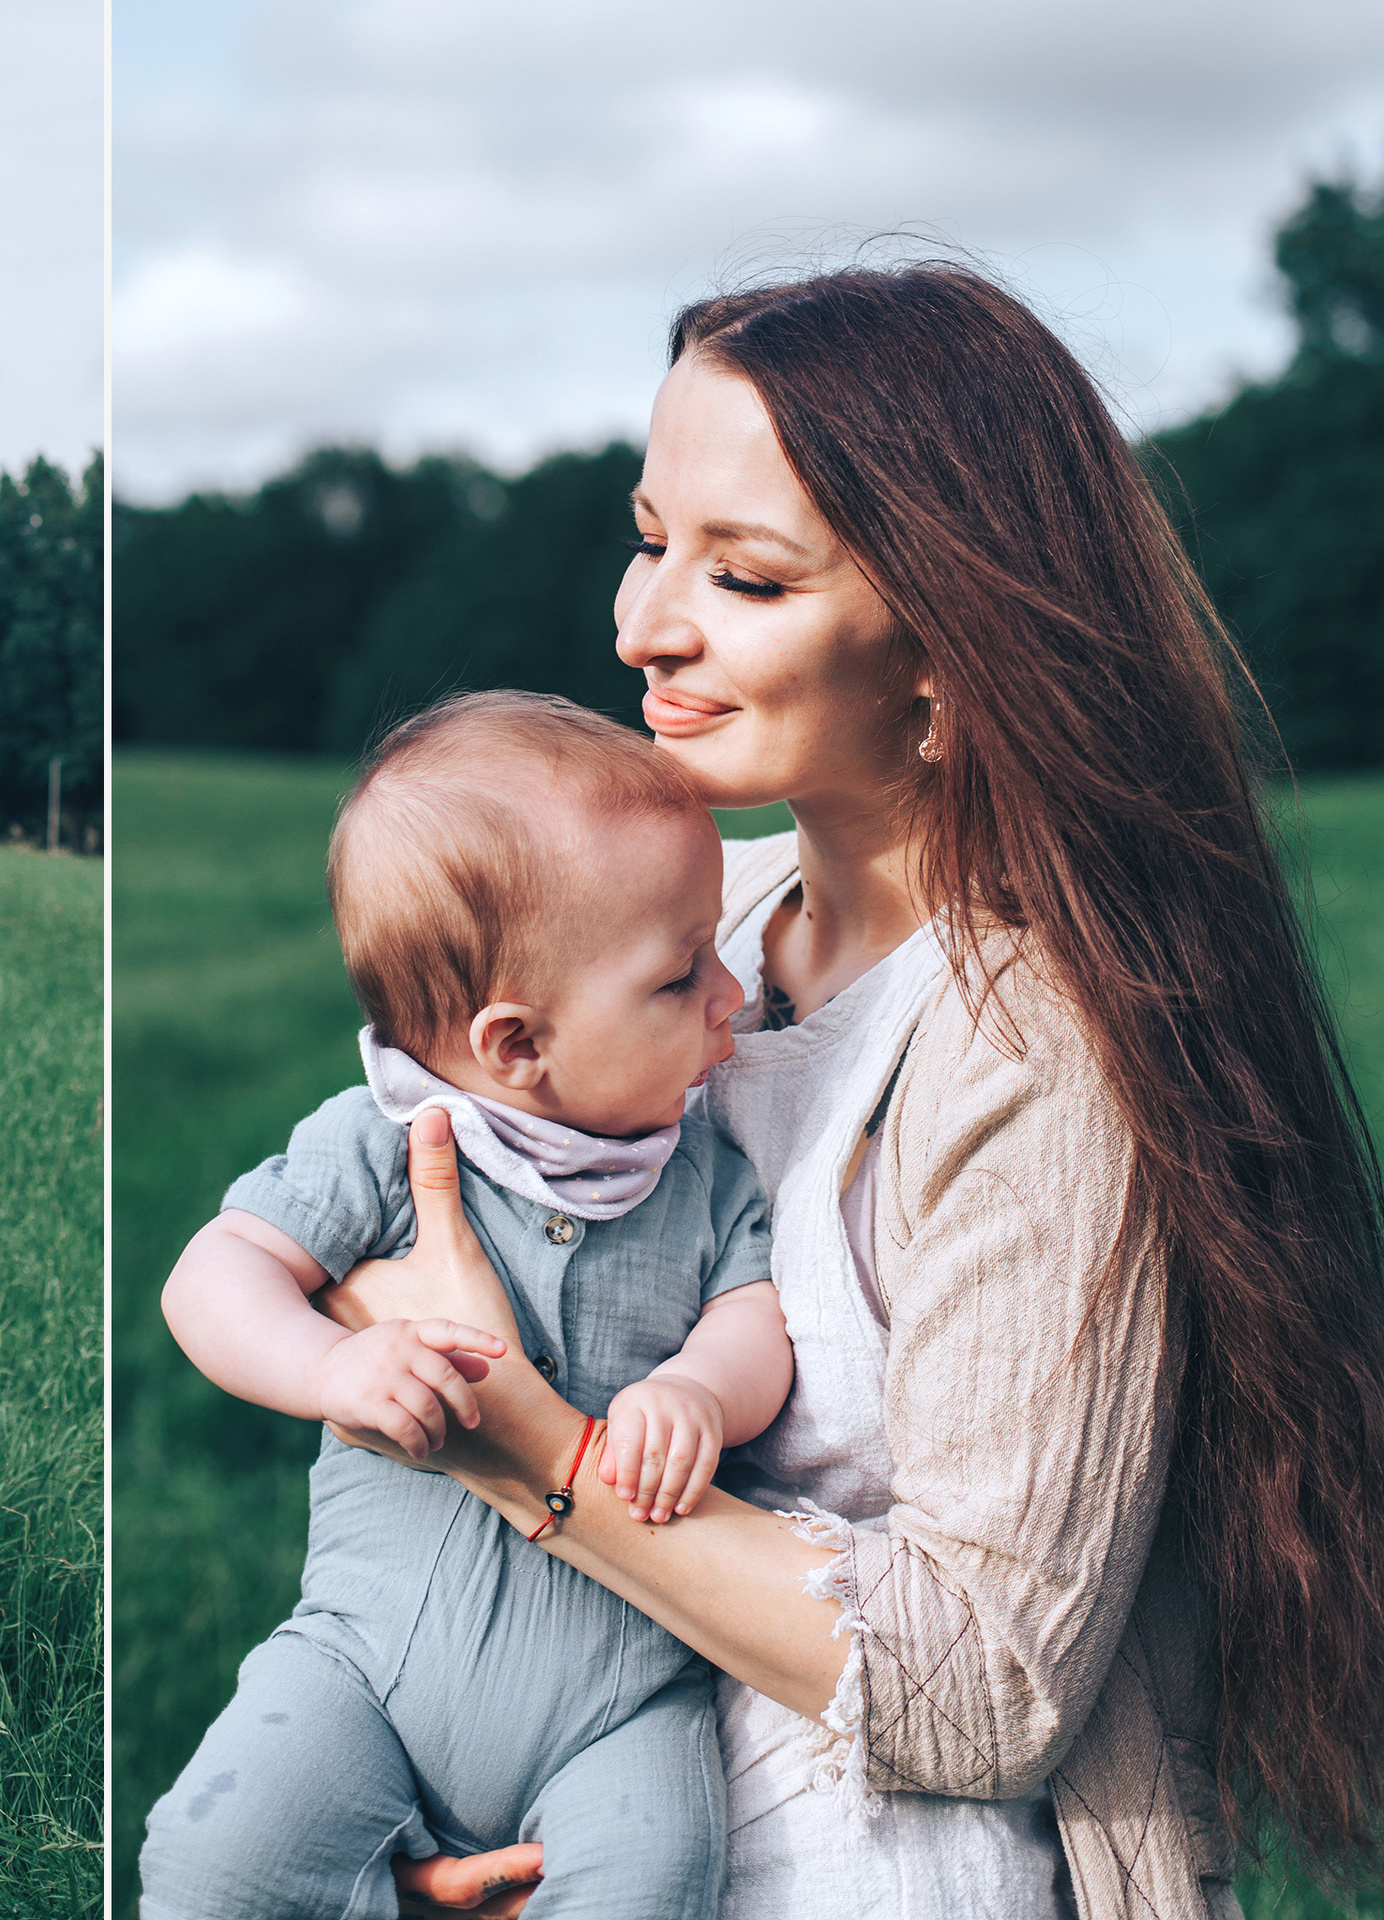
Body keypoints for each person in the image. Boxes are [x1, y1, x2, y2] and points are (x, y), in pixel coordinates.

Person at [313, 265, 1384, 1920]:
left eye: (742, 576)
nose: (642, 623)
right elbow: (378, 1262)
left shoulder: (1037, 1047)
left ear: (950, 662)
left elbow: (983, 1690)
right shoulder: (672, 934)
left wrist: (514, 1437)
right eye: (649, 531)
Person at [143, 692, 791, 1919]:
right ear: (515, 1044)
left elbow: (752, 1312)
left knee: (656, 1879)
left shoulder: (701, 1170)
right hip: (363, 1669)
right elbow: (214, 1274)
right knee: (208, 1862)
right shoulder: (386, 1141)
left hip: (625, 1700)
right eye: (680, 974)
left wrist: (700, 1386)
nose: (731, 994)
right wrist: (329, 1369)